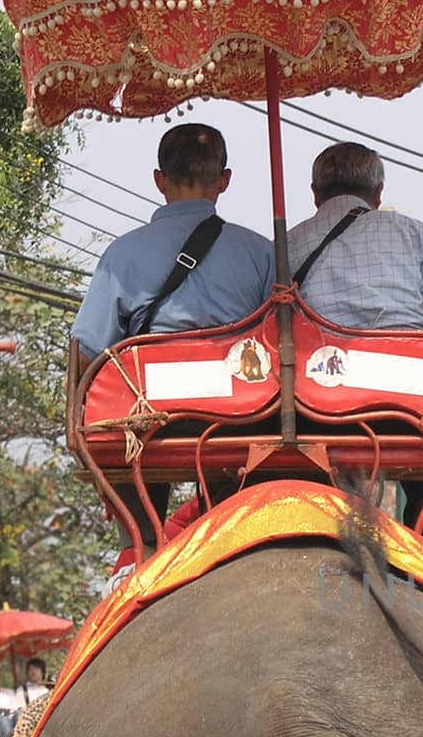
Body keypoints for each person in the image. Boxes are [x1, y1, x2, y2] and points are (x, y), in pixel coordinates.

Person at [286, 142, 423, 559]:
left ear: (315, 193)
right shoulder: (417, 236)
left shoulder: (284, 246)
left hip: (314, 413)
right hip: (408, 414)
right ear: (378, 194)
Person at [72, 125, 276, 549]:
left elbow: (87, 351)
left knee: (127, 451)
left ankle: (140, 548)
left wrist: (81, 433)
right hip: (237, 419)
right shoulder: (261, 254)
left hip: (148, 422)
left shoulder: (122, 255)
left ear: (158, 180)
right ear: (225, 181)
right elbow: (280, 340)